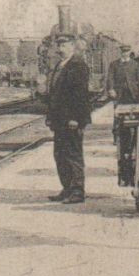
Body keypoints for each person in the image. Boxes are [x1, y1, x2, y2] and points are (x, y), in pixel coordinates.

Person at [45, 33, 92, 204]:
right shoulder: (59, 65)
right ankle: (67, 188)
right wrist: (50, 117)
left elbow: (80, 96)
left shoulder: (78, 66)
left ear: (73, 46)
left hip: (72, 120)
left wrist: (75, 118)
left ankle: (78, 191)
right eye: (59, 45)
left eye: (64, 45)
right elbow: (55, 95)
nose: (60, 48)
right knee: (60, 155)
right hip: (59, 120)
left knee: (73, 154)